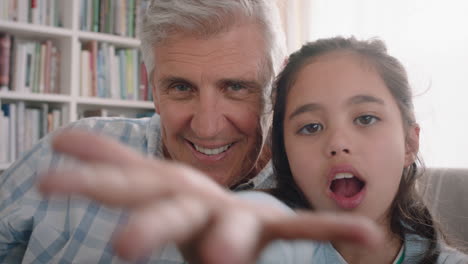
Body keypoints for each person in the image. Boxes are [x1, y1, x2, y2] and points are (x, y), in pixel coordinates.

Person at [0, 1, 378, 263]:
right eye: (181, 88)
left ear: (275, 86)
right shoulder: (68, 155)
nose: (207, 126)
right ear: (153, 88)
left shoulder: (320, 190)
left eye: (236, 87)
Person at [39, 36, 468, 263]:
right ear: (284, 153)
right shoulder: (273, 233)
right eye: (311, 127)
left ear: (410, 141)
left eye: (366, 119)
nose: (337, 143)